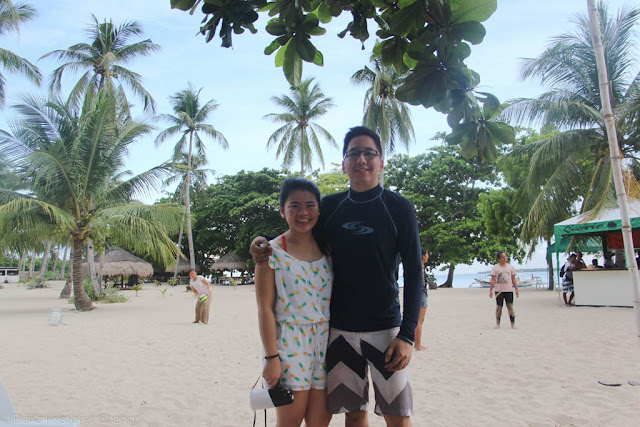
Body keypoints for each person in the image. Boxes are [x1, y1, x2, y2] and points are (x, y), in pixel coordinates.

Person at [251, 126, 422, 426]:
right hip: (338, 332)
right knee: (354, 416)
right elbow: (298, 233)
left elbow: (414, 270)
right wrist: (260, 241)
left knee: (398, 416)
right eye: (353, 153)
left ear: (381, 162)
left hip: (386, 330)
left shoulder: (399, 208)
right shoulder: (329, 208)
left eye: (370, 153)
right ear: (343, 164)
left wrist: (407, 334)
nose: (361, 160)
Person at [254, 177, 332, 427]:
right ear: (282, 210)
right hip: (290, 345)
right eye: (294, 206)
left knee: (320, 422)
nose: (303, 212)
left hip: (327, 344)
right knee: (289, 422)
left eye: (310, 205)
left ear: (318, 210)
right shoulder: (269, 252)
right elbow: (264, 308)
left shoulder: (329, 249)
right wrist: (271, 358)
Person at [488, 251, 519, 329]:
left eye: (505, 257)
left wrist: (517, 290)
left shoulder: (511, 267)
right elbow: (493, 280)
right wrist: (490, 290)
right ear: (499, 259)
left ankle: (512, 324)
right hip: (499, 291)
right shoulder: (495, 268)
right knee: (499, 307)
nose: (505, 258)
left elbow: (514, 279)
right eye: (503, 257)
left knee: (510, 307)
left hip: (509, 290)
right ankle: (498, 324)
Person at [414, 249, 429, 350]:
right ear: (423, 256)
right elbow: (422, 283)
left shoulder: (419, 267)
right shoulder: (420, 267)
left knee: (419, 320)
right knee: (420, 320)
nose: (428, 256)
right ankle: (417, 344)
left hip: (421, 294)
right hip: (421, 294)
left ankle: (417, 343)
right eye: (427, 254)